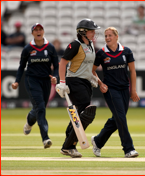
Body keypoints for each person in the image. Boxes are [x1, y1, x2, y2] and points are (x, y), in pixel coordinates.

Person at [91, 27, 140, 158]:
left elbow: (133, 71)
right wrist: (100, 84)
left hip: (124, 89)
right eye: (106, 36)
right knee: (121, 118)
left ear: (116, 36)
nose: (107, 38)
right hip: (110, 90)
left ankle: (97, 141)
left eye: (110, 35)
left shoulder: (127, 51)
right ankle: (128, 149)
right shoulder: (101, 53)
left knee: (118, 118)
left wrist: (133, 90)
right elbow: (92, 70)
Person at [55, 19, 100, 158]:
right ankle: (68, 145)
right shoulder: (75, 45)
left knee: (80, 114)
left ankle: (69, 143)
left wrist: (95, 78)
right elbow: (62, 63)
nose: (94, 33)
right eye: (91, 31)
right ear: (83, 32)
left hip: (86, 82)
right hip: (74, 81)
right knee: (87, 112)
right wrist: (62, 82)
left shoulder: (91, 45)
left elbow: (88, 66)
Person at [11, 23, 59, 148]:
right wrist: (17, 81)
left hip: (46, 81)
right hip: (31, 80)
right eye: (36, 30)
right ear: (32, 33)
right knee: (41, 108)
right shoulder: (28, 48)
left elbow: (57, 66)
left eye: (40, 29)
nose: (38, 32)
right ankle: (45, 138)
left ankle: (29, 119)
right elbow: (21, 67)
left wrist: (56, 77)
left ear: (43, 31)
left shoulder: (50, 48)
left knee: (39, 108)